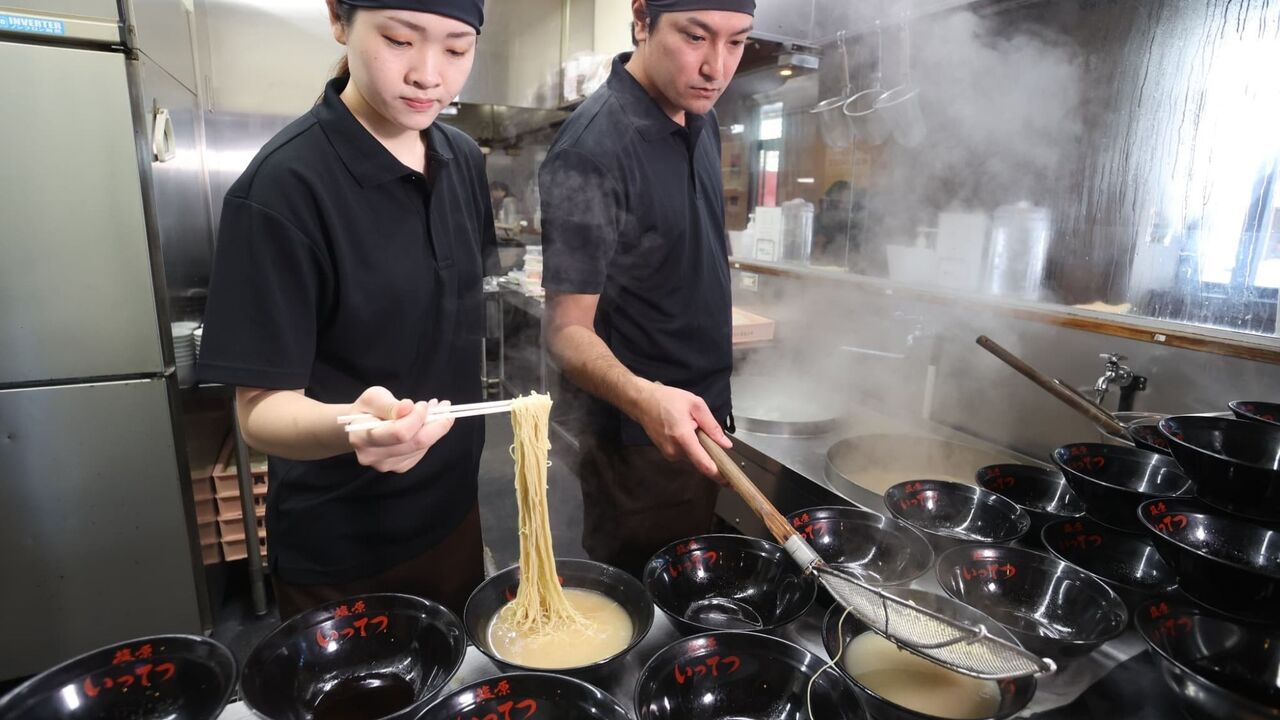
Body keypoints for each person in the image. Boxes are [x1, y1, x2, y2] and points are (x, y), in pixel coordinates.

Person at [198, 0, 496, 620]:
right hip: (344, 546)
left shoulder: (463, 160)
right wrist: (354, 424)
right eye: (398, 39)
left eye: (457, 48)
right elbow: (257, 412)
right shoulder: (283, 187)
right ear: (338, 18)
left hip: (454, 510)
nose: (428, 74)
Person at [539, 0, 755, 577]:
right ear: (641, 20)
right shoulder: (591, 149)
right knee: (642, 613)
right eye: (696, 36)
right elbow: (565, 331)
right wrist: (647, 400)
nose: (717, 66)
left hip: (703, 416)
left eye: (736, 42)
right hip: (640, 440)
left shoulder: (699, 119)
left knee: (689, 598)